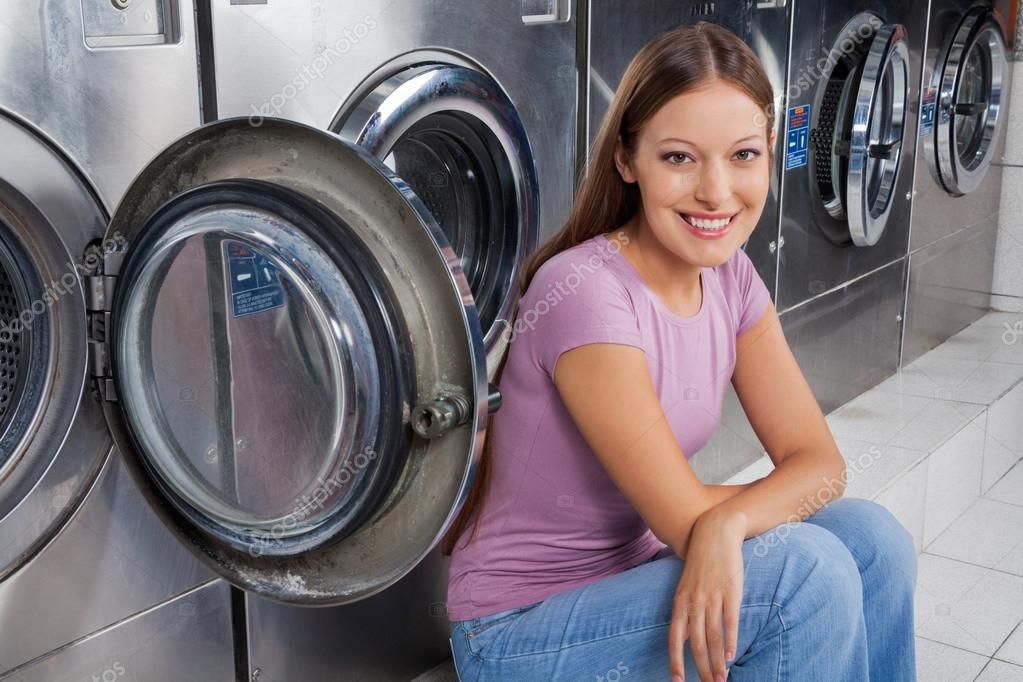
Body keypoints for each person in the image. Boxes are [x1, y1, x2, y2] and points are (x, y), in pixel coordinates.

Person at [441, 21, 917, 682]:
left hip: (637, 578)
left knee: (872, 539)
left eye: (742, 155)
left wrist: (723, 523)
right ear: (626, 160)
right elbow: (681, 519)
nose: (716, 193)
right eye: (678, 158)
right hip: (521, 630)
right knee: (802, 576)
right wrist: (714, 523)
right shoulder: (584, 290)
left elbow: (821, 465)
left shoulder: (729, 277)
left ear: (770, 151)